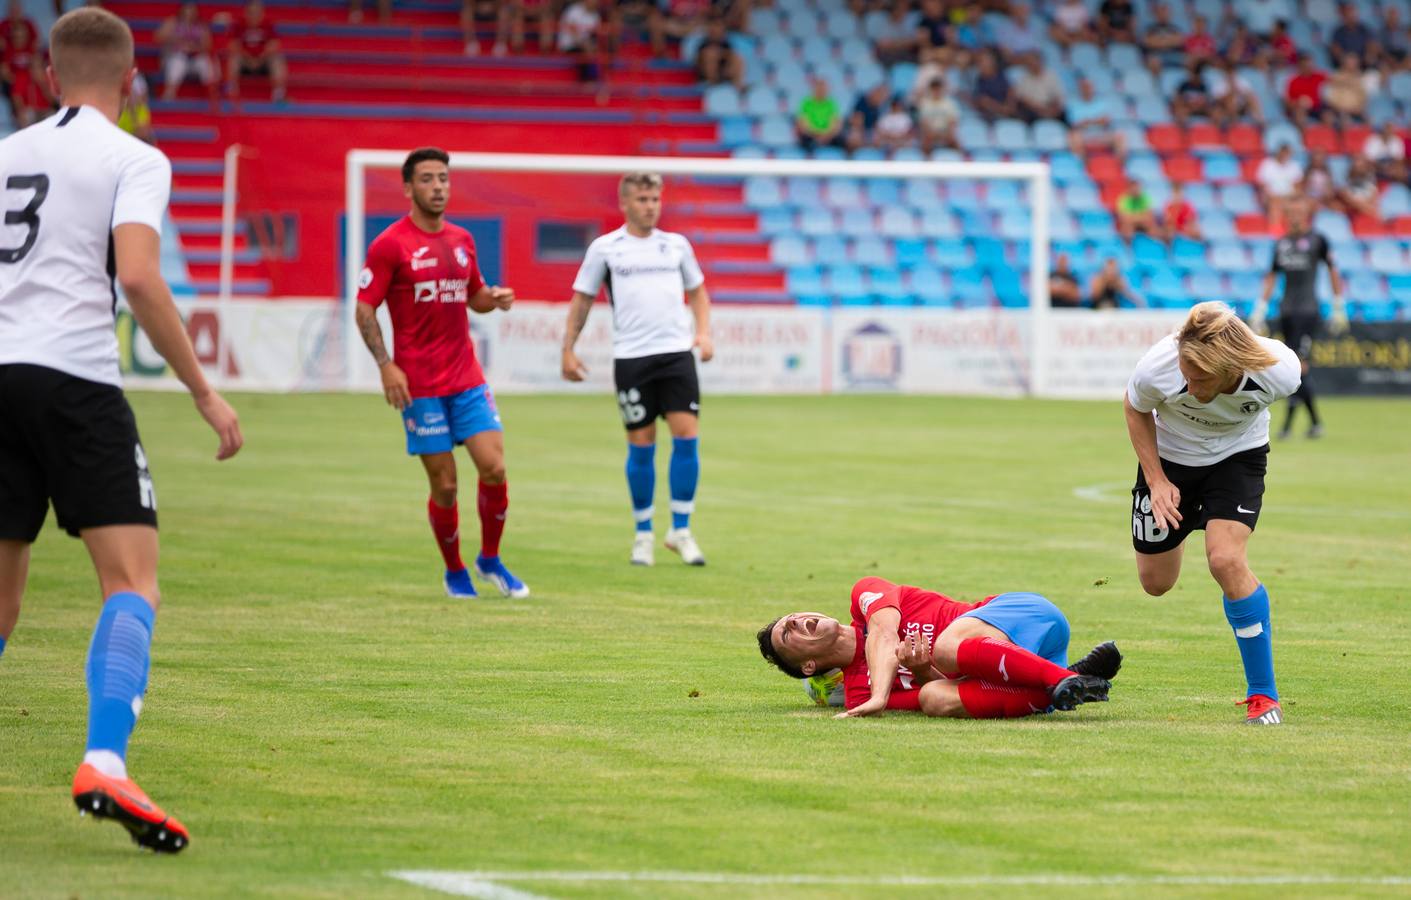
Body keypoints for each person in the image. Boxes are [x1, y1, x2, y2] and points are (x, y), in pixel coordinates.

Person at [0, 7, 243, 853]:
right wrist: (204, 393)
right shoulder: (135, 157)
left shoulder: (5, 153)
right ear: (134, 78)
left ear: (50, 75)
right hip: (73, 378)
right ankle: (104, 758)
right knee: (131, 583)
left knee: (2, 599)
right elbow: (138, 276)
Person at [355, 148, 528, 600]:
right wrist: (385, 365)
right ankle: (454, 571)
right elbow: (363, 308)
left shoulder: (462, 240)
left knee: (494, 466)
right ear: (409, 187)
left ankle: (489, 559)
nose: (438, 187)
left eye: (444, 179)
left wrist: (495, 298)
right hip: (420, 385)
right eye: (428, 179)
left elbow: (474, 297)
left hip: (466, 377)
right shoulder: (390, 244)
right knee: (446, 485)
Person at [1124, 302, 1301, 725]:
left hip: (1237, 460)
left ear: (1229, 366)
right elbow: (1134, 409)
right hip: (1170, 464)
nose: (1190, 384)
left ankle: (1263, 694)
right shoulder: (1159, 367)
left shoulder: (1279, 371)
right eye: (1186, 374)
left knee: (1225, 558)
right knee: (1156, 583)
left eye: (1200, 378)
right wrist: (1157, 479)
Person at [562, 173, 713, 567]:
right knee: (641, 446)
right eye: (643, 199)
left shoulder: (676, 245)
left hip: (677, 355)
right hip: (633, 359)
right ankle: (643, 535)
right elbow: (582, 299)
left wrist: (704, 333)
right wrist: (568, 349)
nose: (651, 205)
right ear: (625, 203)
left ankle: (680, 530)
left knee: (686, 438)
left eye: (655, 198)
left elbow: (697, 291)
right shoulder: (606, 249)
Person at [755, 577, 1118, 718]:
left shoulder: (864, 597)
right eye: (788, 634)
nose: (794, 620)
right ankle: (1067, 685)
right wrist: (922, 670)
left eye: (792, 616)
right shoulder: (855, 693)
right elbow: (945, 686)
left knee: (946, 646)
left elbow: (883, 634)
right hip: (1012, 674)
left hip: (1025, 618)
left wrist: (880, 696)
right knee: (935, 700)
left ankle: (1062, 678)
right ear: (808, 665)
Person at [1251, 201, 1346, 441]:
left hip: (1308, 311)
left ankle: (1289, 425)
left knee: (1299, 367)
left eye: (1299, 212)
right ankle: (1313, 424)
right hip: (1286, 312)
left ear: (1307, 214)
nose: (1295, 216)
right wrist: (1260, 309)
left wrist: (1338, 305)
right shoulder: (1281, 244)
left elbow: (1333, 269)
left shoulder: (1318, 240)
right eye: (1291, 212)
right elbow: (1272, 276)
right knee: (1296, 367)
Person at [225, 0, 288, 102]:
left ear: (262, 13)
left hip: (263, 61)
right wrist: (248, 57)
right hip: (245, 61)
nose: (254, 15)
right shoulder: (238, 25)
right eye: (251, 12)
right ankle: (232, 91)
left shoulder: (268, 25)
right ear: (246, 12)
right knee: (233, 59)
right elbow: (232, 45)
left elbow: (275, 45)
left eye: (257, 12)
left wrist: (260, 57)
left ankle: (279, 93)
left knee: (277, 59)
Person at [155, 2, 216, 101]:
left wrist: (194, 47)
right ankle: (169, 94)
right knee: (177, 62)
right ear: (181, 10)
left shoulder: (201, 25)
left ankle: (212, 96)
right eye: (187, 9)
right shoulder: (173, 22)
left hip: (195, 57)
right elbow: (158, 37)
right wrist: (176, 40)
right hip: (176, 56)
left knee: (205, 63)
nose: (189, 12)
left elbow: (208, 45)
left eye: (192, 10)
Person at [1066, 77, 1125, 159]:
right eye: (1084, 87)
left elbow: (1106, 120)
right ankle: (1082, 165)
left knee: (1120, 136)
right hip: (1083, 135)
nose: (1087, 89)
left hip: (1101, 133)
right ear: (1080, 89)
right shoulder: (1073, 104)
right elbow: (1074, 124)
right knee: (1073, 137)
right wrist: (1095, 121)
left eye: (1089, 87)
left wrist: (1088, 121)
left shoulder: (1102, 102)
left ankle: (1118, 166)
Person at [1254, 144, 1303, 231]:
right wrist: (1273, 196)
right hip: (1271, 196)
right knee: (1275, 203)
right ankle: (1275, 231)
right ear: (1279, 153)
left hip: (1289, 197)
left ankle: (1296, 232)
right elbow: (1263, 185)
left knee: (1299, 205)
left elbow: (1298, 186)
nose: (1285, 156)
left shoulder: (1294, 166)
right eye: (1284, 153)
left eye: (1288, 154)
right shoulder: (1267, 164)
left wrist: (1293, 196)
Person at [794, 76, 844, 151]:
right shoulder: (806, 103)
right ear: (814, 88)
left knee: (842, 142)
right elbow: (802, 124)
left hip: (829, 137)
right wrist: (817, 136)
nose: (821, 90)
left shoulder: (832, 103)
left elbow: (837, 124)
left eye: (824, 88)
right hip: (810, 136)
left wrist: (826, 136)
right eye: (819, 87)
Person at [1013, 53, 1065, 124]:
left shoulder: (1051, 75)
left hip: (1050, 106)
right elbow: (1022, 98)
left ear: (1040, 61)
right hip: (1033, 110)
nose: (1031, 64)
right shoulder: (1024, 78)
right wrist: (1040, 109)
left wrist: (1053, 109)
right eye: (1028, 63)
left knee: (1063, 115)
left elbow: (1058, 95)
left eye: (1033, 61)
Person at [693, 17, 742, 89]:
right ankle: (713, 84)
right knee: (710, 54)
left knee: (737, 57)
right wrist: (719, 54)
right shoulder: (703, 44)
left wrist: (723, 55)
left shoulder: (726, 44)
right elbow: (699, 62)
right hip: (706, 78)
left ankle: (736, 86)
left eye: (719, 27)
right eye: (715, 27)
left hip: (723, 74)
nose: (717, 30)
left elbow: (730, 57)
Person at [914, 76, 959, 152]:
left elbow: (953, 121)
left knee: (957, 143)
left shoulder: (949, 103)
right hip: (931, 132)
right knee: (925, 143)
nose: (936, 91)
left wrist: (948, 133)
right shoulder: (925, 103)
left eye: (938, 88)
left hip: (945, 131)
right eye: (934, 89)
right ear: (931, 90)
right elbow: (923, 122)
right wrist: (931, 132)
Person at [970, 49, 1015, 121]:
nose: (980, 65)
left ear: (992, 62)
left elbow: (1010, 99)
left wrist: (1005, 108)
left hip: (1007, 116)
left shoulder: (1003, 77)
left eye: (983, 61)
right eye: (979, 62)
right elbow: (980, 101)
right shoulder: (978, 80)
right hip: (987, 118)